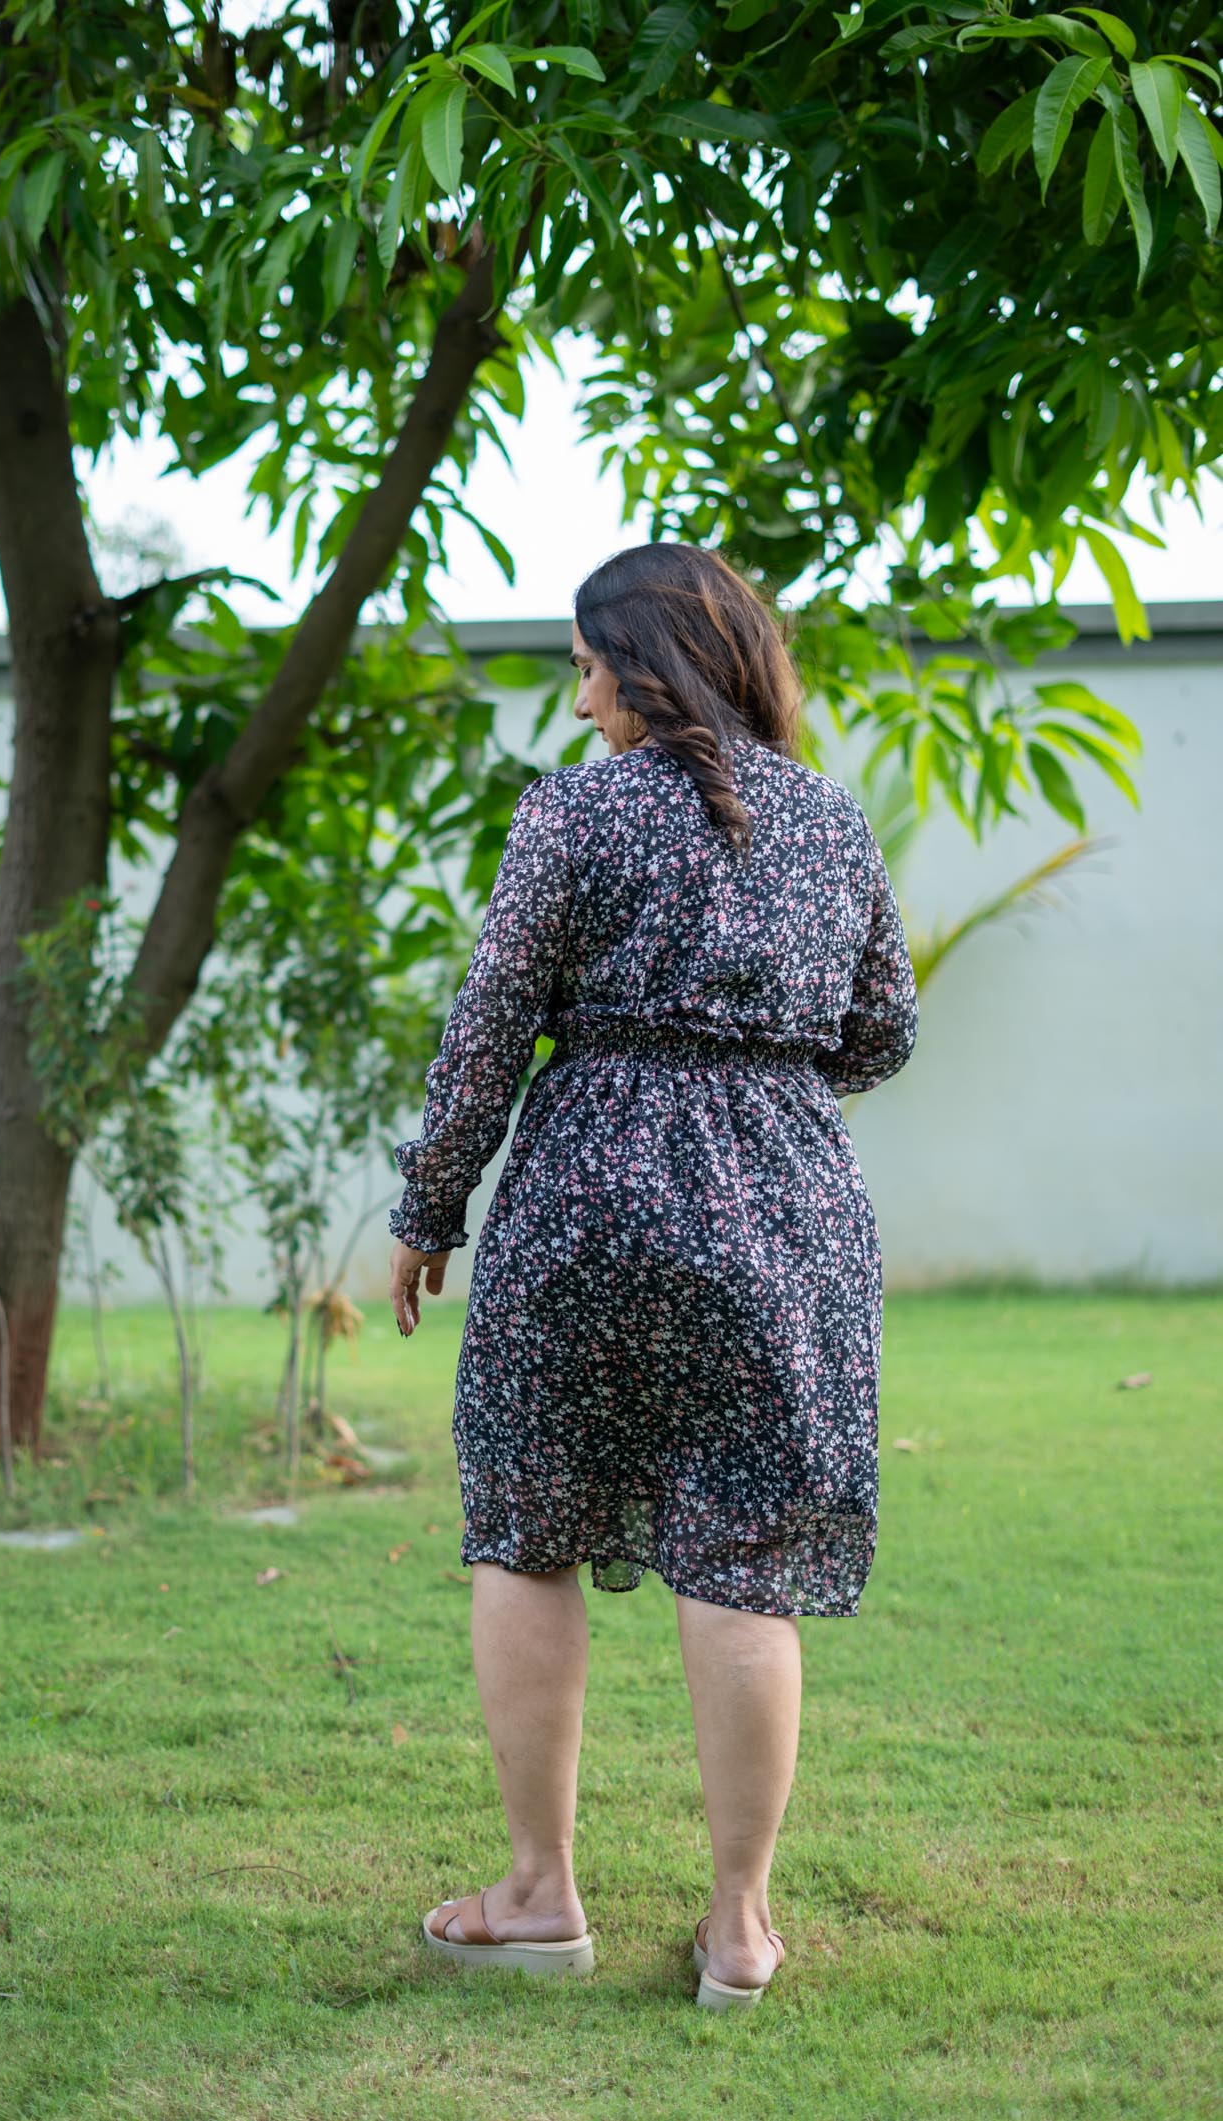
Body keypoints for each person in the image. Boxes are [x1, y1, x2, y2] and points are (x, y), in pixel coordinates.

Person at [387, 543, 918, 2009]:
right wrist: (762, 1078)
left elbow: (492, 1021)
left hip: (586, 1197)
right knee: (745, 1551)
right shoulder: (830, 821)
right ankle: (737, 1929)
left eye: (581, 668)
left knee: (529, 1521)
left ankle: (538, 1898)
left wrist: (430, 1203)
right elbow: (881, 1032)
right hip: (787, 1203)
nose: (576, 706)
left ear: (642, 660)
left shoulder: (573, 813)